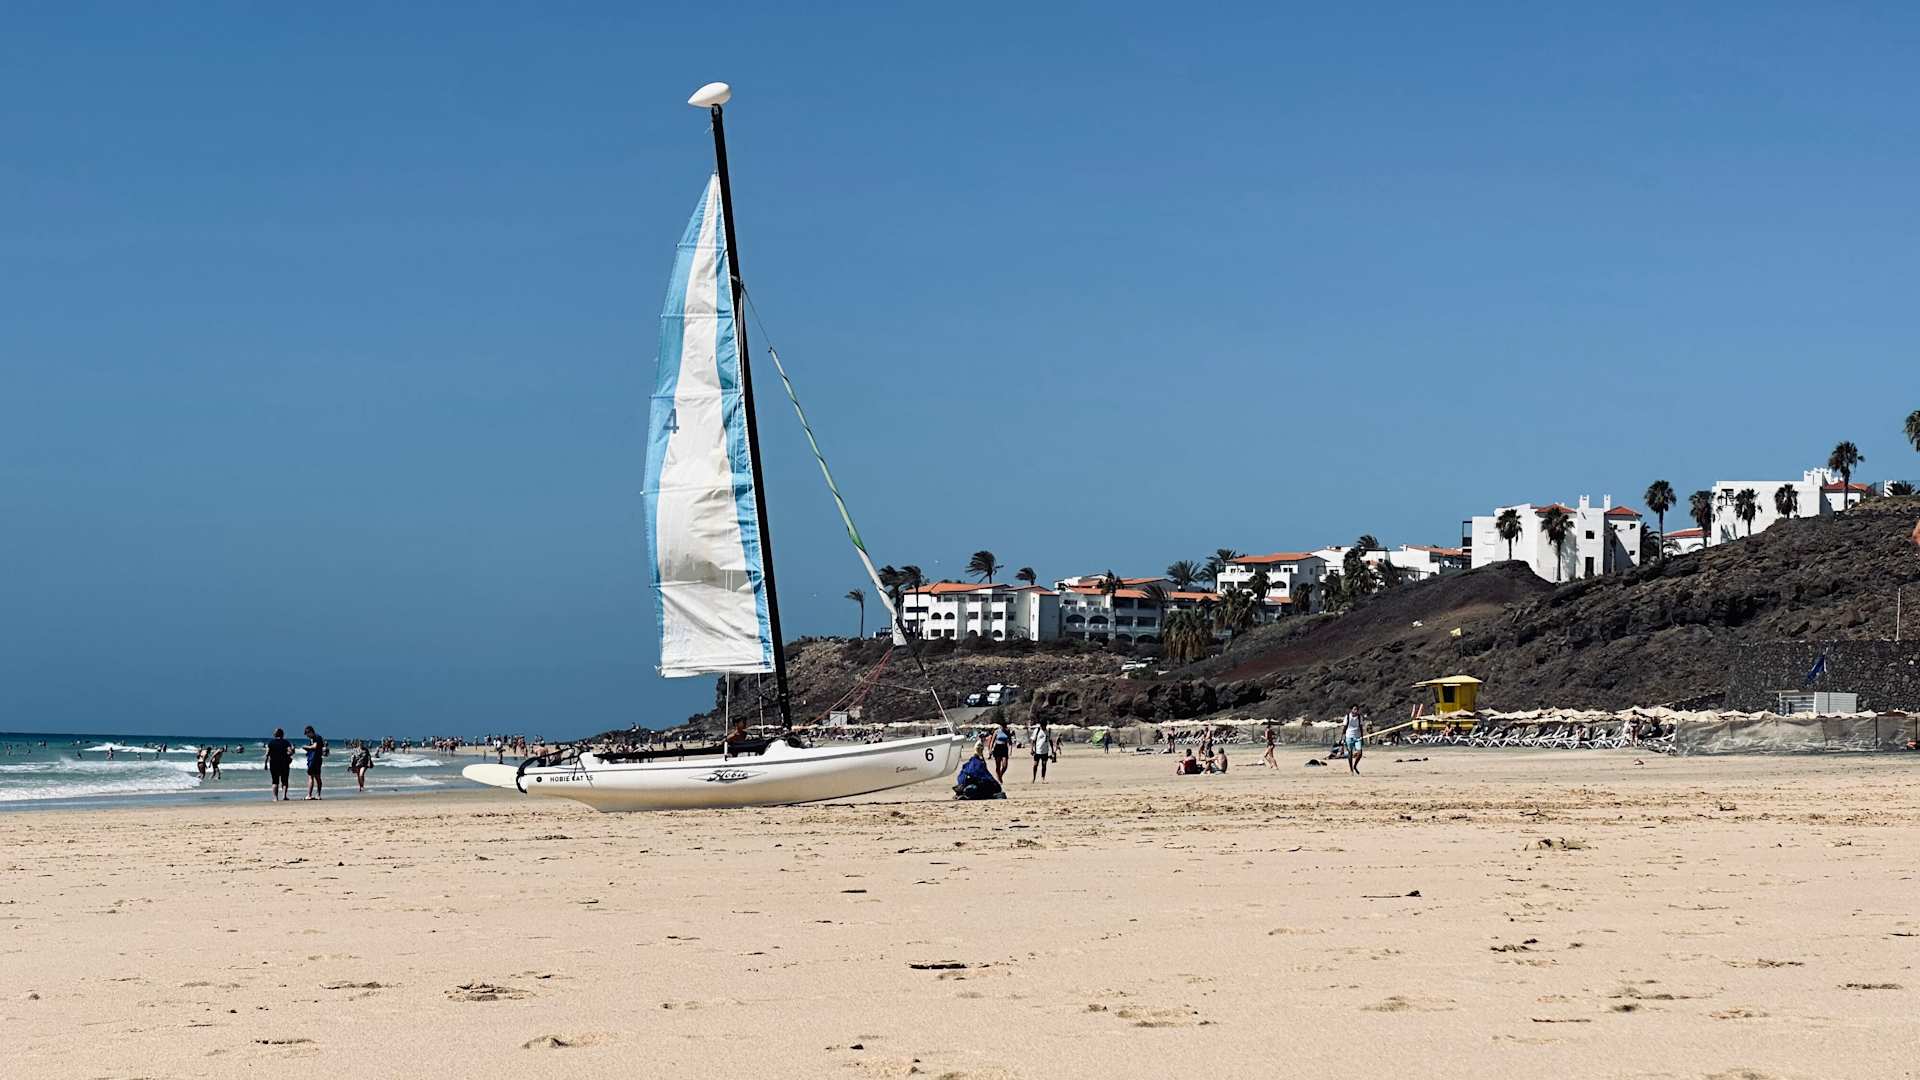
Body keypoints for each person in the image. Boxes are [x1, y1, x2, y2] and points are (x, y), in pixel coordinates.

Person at [264, 728, 294, 801]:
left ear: (275, 735)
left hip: (274, 763)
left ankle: (275, 798)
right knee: (285, 780)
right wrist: (289, 754)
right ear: (282, 734)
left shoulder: (271, 743)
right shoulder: (286, 742)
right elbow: (290, 752)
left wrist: (265, 764)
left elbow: (267, 754)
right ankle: (284, 796)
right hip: (284, 763)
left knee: (275, 781)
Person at [302, 726, 328, 800]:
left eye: (307, 734)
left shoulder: (316, 737)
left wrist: (306, 747)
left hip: (314, 760)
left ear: (310, 732)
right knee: (317, 777)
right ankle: (317, 795)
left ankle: (310, 795)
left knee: (312, 777)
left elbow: (314, 747)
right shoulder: (316, 738)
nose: (307, 736)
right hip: (316, 759)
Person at [1343, 707, 1365, 775]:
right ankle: (1351, 769)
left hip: (1357, 737)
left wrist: (1362, 737)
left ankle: (1355, 766)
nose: (1356, 710)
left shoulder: (1359, 717)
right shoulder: (1347, 716)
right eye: (1354, 709)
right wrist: (1343, 737)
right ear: (1351, 710)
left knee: (1360, 753)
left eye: (1357, 709)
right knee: (1350, 753)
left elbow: (1361, 727)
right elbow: (1345, 727)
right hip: (1349, 736)